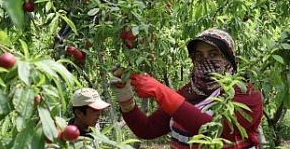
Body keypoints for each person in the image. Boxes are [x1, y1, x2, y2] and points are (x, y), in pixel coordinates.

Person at [110, 28, 263, 149]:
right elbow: (148, 129)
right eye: (199, 56)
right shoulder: (189, 92)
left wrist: (161, 91)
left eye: (214, 54)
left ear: (229, 58)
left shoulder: (247, 94)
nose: (206, 61)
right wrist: (124, 95)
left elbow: (216, 131)